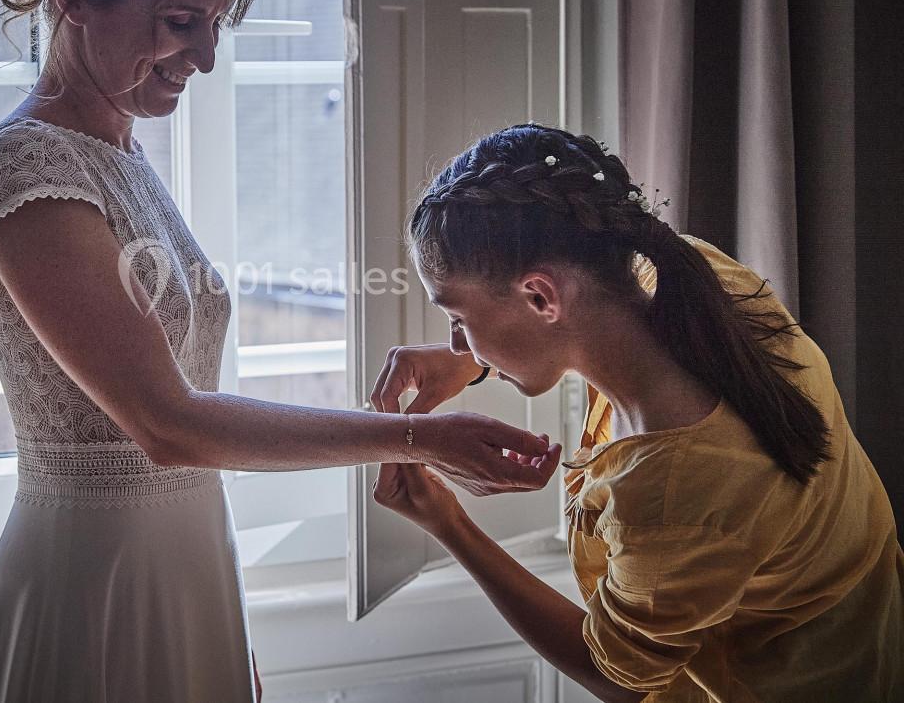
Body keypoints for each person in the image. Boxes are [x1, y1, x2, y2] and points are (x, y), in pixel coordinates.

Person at [0, 0, 553, 701]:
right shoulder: (26, 168)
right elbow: (166, 424)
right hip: (96, 585)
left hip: (188, 562)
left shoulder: (119, 151)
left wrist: (221, 618)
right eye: (179, 20)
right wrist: (421, 439)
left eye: (213, 25)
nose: (202, 55)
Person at [369, 123, 904, 702]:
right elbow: (591, 322)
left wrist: (449, 524)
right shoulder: (689, 275)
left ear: (541, 297)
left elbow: (617, 677)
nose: (453, 344)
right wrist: (479, 360)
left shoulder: (675, 494)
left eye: (457, 319)